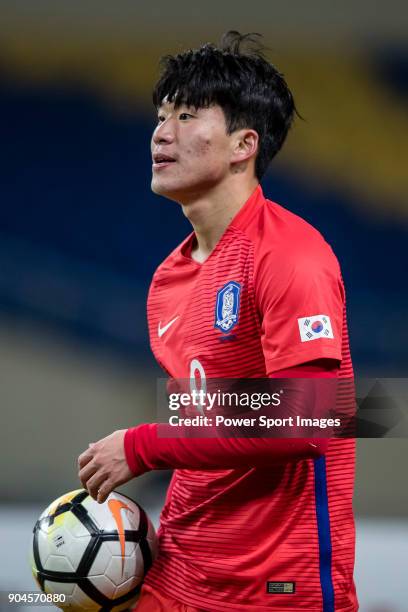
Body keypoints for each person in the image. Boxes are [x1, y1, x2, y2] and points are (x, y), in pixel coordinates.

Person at [78, 31, 358, 611]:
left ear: (243, 145)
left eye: (186, 115)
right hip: (178, 573)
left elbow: (308, 420)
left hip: (276, 589)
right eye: (159, 115)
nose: (160, 132)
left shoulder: (291, 255)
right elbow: (210, 426)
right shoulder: (168, 279)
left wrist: (143, 444)